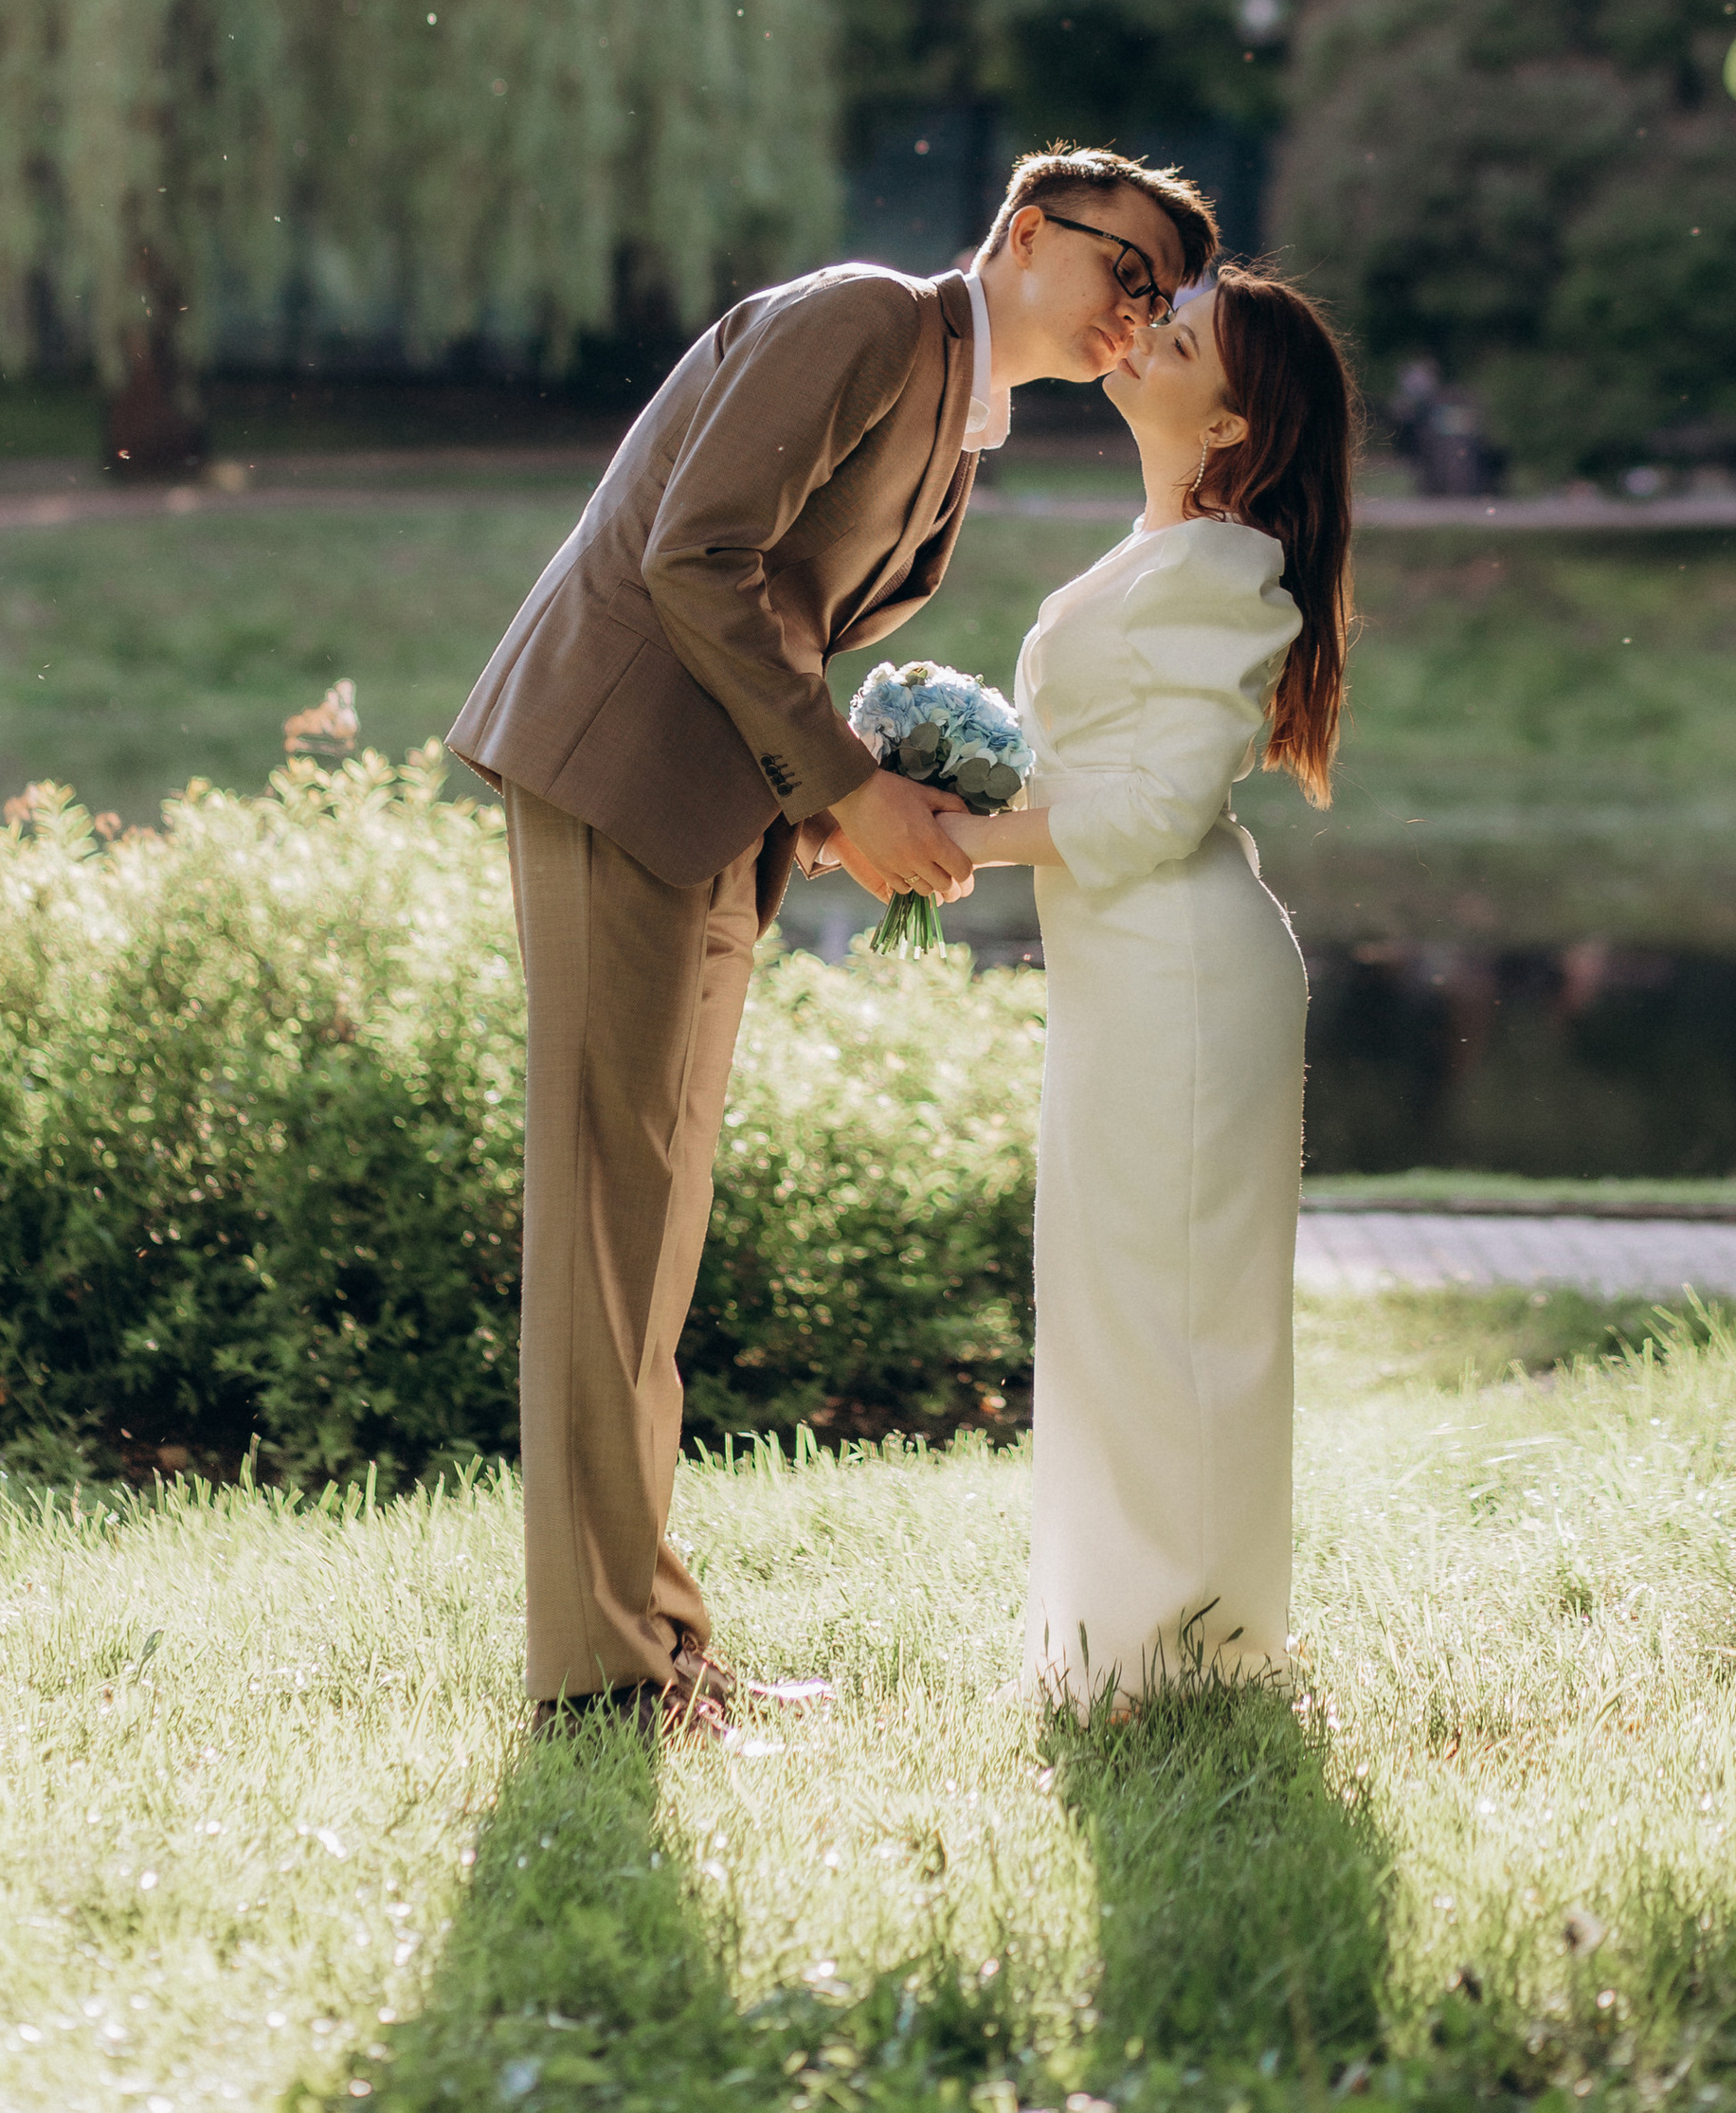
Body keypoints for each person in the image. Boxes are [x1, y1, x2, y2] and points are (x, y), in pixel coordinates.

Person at [447, 147, 1220, 1742]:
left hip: (710, 813)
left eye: (1165, 301)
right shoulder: (869, 316)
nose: (1137, 321)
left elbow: (783, 617)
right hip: (618, 780)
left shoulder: (958, 408)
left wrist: (833, 809)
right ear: (1024, 233)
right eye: (1123, 275)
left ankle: (653, 1647)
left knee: (650, 1241)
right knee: (607, 1236)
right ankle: (605, 1678)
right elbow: (692, 558)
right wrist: (852, 787)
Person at [937, 264, 1359, 1708]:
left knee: (1175, 1307)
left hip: (1182, 975)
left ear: (1232, 424)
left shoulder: (1226, 570)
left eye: (1177, 341)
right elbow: (1097, 772)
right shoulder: (1155, 551)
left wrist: (963, 839)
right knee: (1116, 1297)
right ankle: (1124, 1642)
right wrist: (926, 787)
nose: (1143, 338)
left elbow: (1158, 808)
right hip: (1125, 969)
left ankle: (1186, 1647)